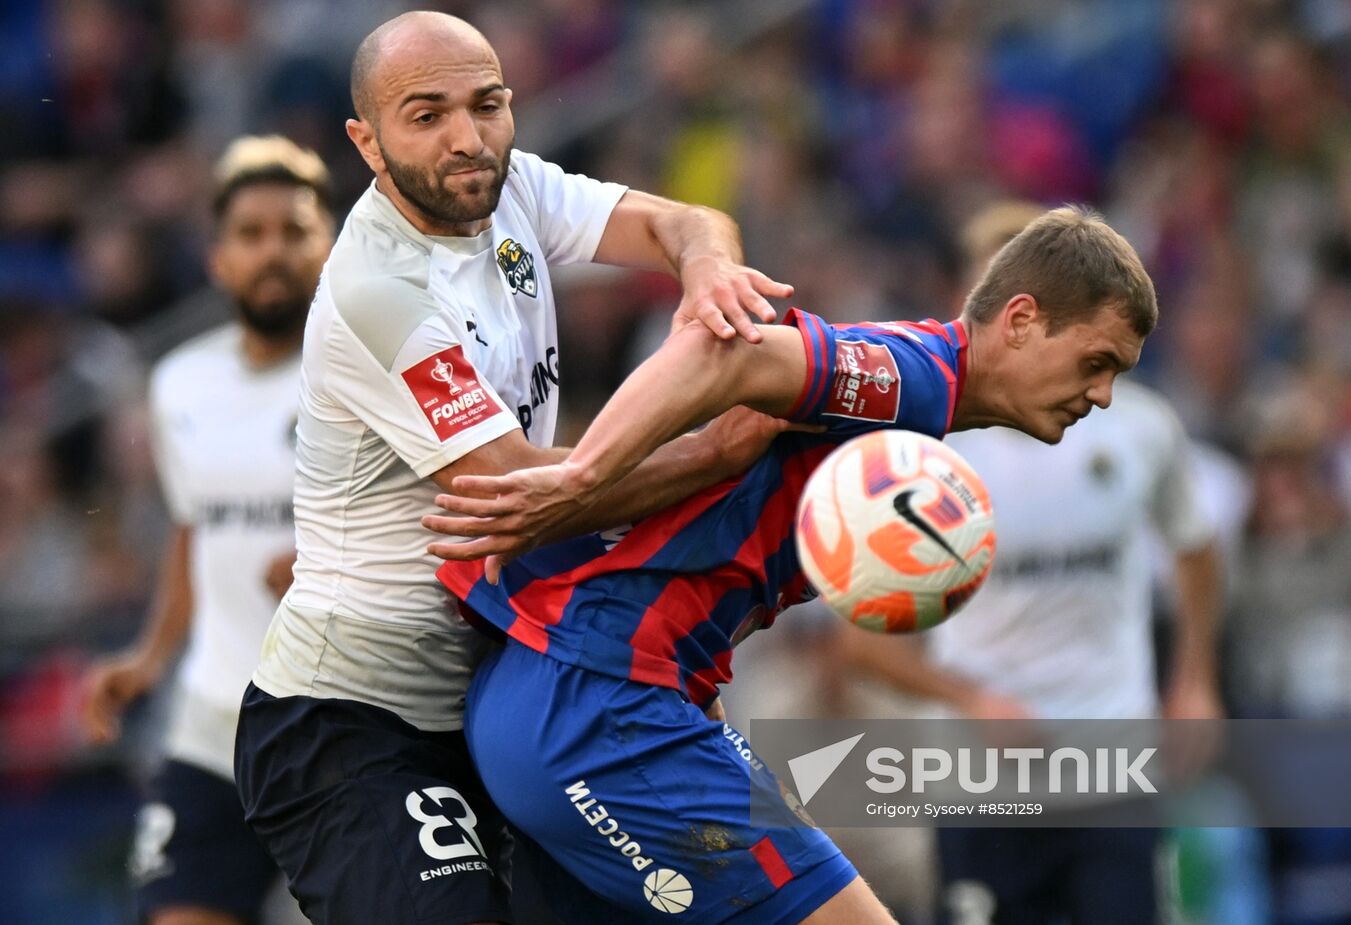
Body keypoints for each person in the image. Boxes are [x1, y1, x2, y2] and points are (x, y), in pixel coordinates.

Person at [428, 206, 1158, 924]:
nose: (1102, 395)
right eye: (1096, 363)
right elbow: (729, 352)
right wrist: (578, 479)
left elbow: (710, 533)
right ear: (1022, 320)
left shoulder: (921, 414)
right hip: (598, 706)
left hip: (562, 698)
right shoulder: (915, 377)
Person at [232, 11, 799, 925]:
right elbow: (519, 495)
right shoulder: (377, 291)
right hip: (351, 721)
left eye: (486, 104)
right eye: (427, 116)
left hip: (505, 696)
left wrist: (711, 280)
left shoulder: (512, 189)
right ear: (366, 142)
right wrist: (715, 449)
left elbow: (687, 221)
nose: (467, 138)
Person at [834, 200, 1225, 925]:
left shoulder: (1138, 427)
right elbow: (861, 645)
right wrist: (970, 697)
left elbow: (1196, 545)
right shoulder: (926, 451)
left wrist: (1194, 676)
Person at [79, 135, 335, 925]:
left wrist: (336, 563)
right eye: (250, 234)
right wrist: (151, 656)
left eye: (293, 232)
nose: (272, 253)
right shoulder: (179, 383)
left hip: (343, 726)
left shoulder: (367, 379)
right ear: (217, 258)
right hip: (210, 723)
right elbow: (197, 530)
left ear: (327, 247)